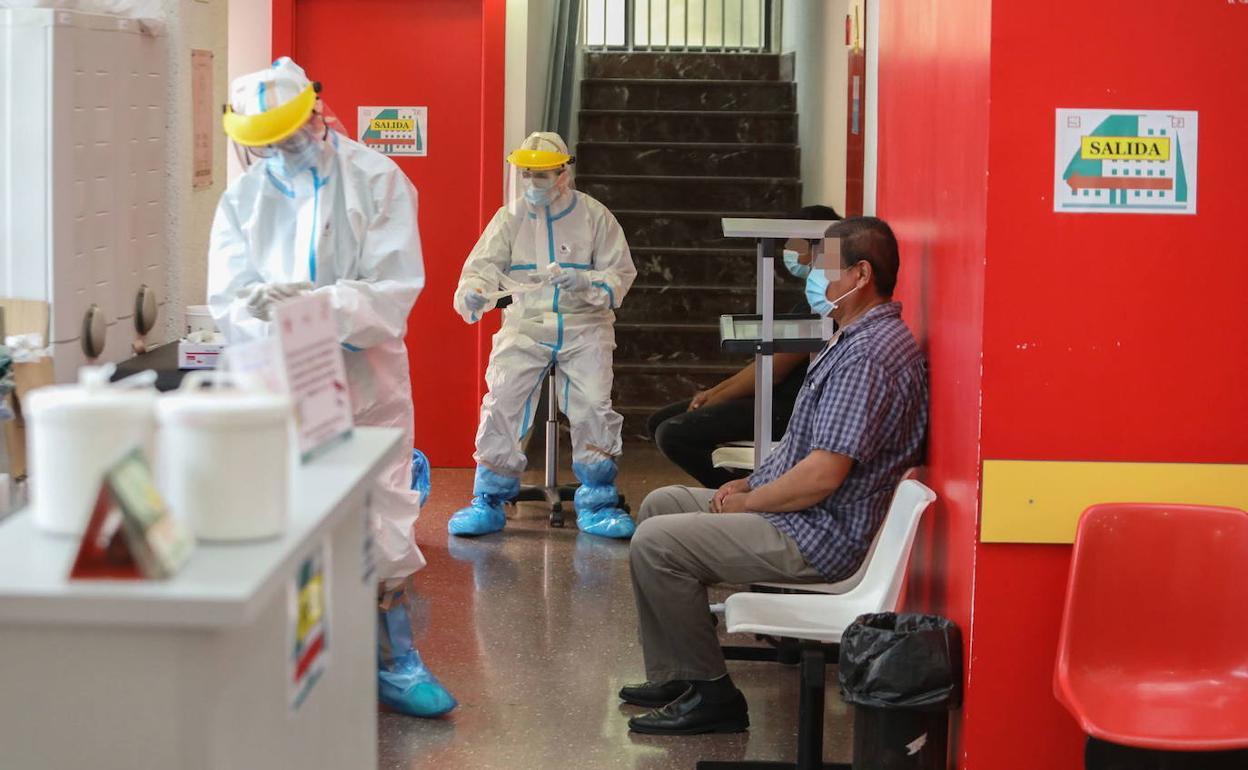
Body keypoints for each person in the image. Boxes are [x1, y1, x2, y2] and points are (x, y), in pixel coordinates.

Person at [207, 57, 455, 718]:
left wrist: (322, 304)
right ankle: (297, 660)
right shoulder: (245, 197)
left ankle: (396, 659)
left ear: (318, 113)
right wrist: (255, 310)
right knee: (284, 516)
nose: (276, 153)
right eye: (262, 144)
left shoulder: (375, 179)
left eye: (287, 136)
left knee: (384, 513)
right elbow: (227, 299)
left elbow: (394, 291)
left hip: (363, 377)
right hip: (279, 382)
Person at [620, 217, 928, 735]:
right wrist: (749, 483)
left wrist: (749, 503)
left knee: (656, 543)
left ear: (860, 274)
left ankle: (714, 696)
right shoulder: (850, 338)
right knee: (662, 505)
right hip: (805, 515)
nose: (813, 275)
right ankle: (679, 672)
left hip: (821, 533)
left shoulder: (870, 357)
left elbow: (823, 476)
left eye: (823, 266)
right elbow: (806, 448)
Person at [449, 132, 638, 540]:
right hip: (526, 325)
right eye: (527, 174)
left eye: (542, 175)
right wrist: (474, 292)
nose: (534, 183)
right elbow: (479, 269)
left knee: (592, 406)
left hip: (584, 325)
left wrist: (582, 280)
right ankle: (490, 497)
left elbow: (619, 277)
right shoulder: (509, 218)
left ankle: (599, 499)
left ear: (563, 173)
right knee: (501, 400)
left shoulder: (594, 216)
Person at [647, 205, 840, 488]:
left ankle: (743, 492)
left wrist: (720, 397)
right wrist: (715, 392)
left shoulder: (827, 301)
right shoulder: (814, 294)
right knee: (660, 422)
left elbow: (773, 371)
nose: (787, 250)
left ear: (818, 246)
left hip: (789, 407)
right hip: (772, 396)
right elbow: (765, 363)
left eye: (792, 242)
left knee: (673, 433)